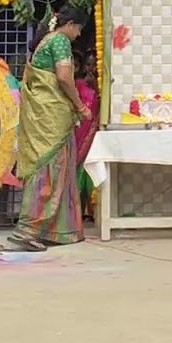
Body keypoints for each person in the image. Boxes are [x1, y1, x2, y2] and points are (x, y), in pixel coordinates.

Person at [11, 7, 92, 251]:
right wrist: (80, 106)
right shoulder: (59, 41)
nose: (78, 35)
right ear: (69, 24)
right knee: (50, 168)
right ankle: (29, 229)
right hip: (52, 116)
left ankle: (50, 229)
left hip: (43, 114)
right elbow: (65, 78)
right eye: (78, 29)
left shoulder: (44, 41)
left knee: (50, 167)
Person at [73, 51, 99, 223]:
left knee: (90, 172)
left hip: (94, 133)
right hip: (79, 132)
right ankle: (76, 213)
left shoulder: (102, 85)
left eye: (94, 64)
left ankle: (91, 212)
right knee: (77, 172)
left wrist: (96, 86)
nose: (91, 68)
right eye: (88, 64)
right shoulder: (78, 84)